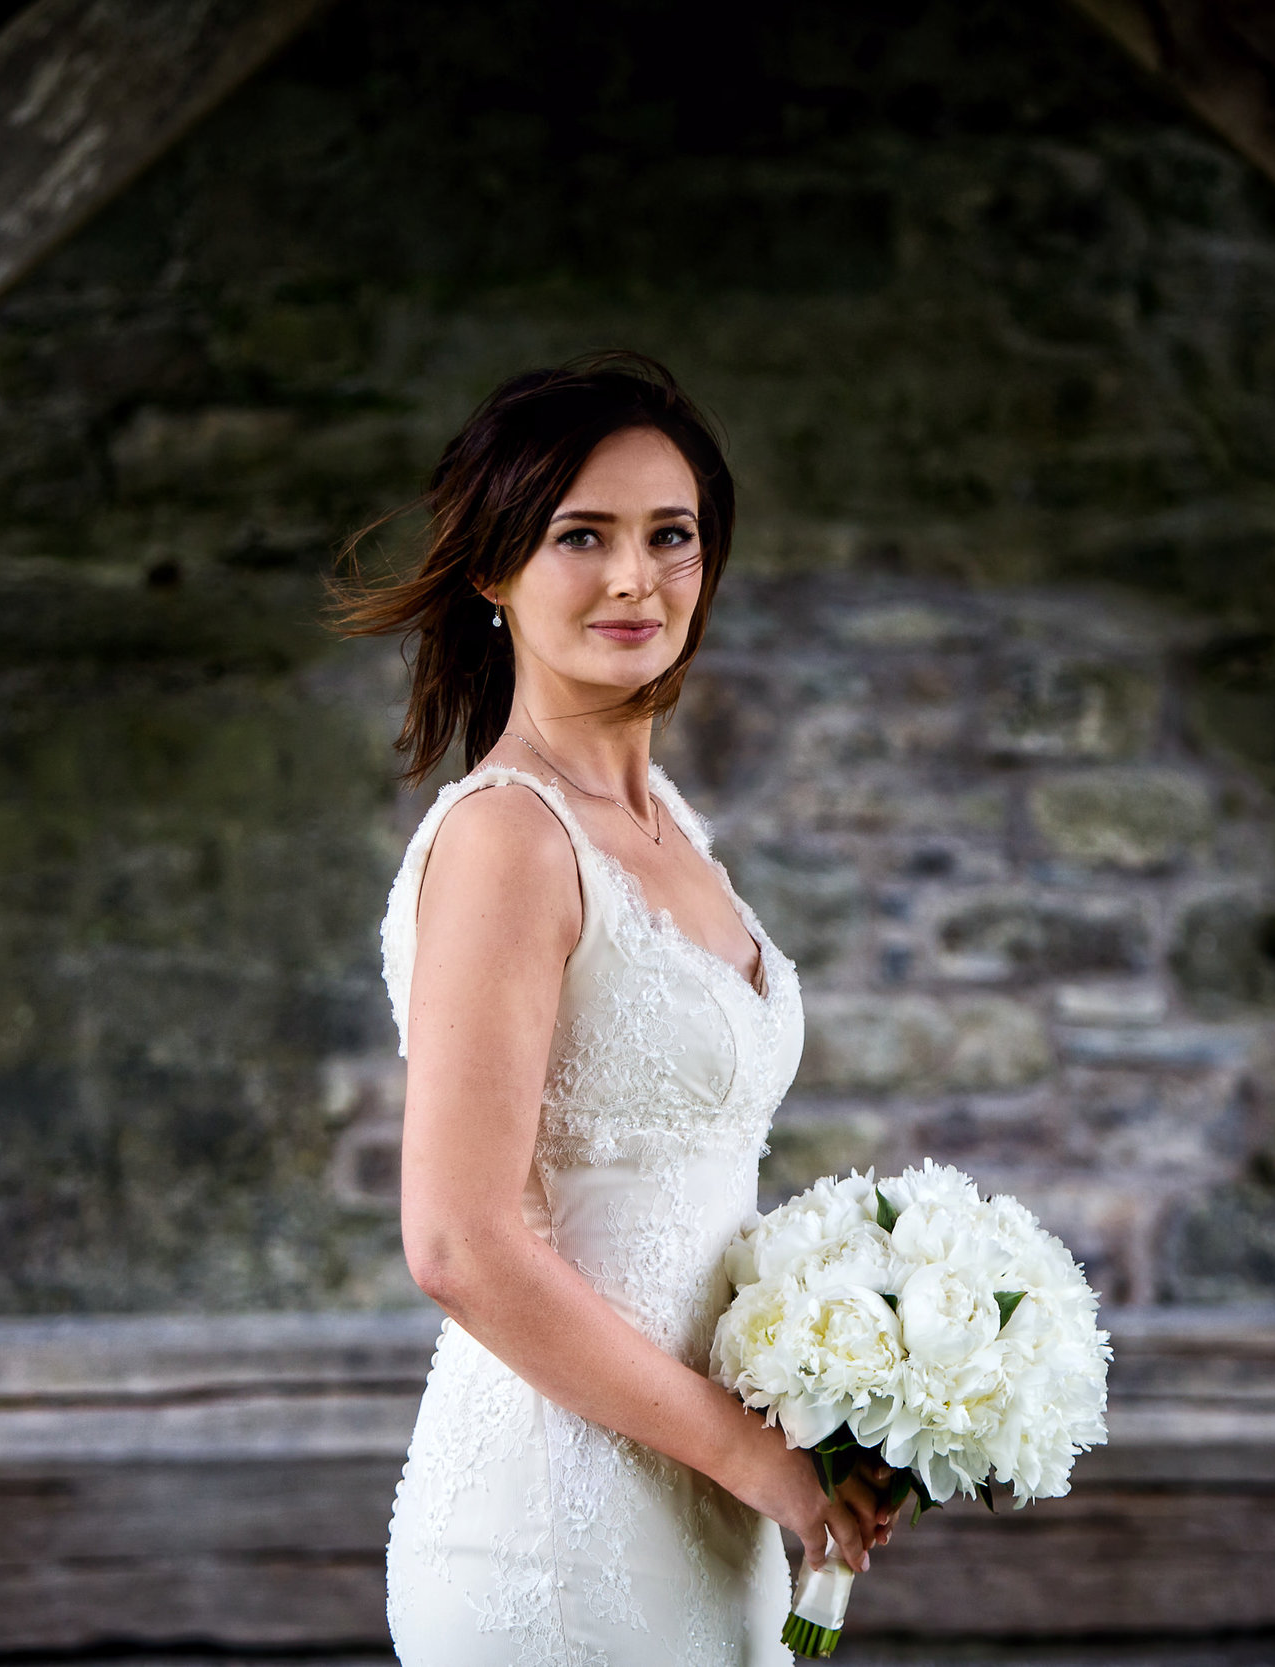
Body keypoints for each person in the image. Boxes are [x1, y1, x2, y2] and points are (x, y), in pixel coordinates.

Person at [337, 353, 894, 1664]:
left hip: (715, 1511)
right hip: (557, 1526)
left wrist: (843, 1403)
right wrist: (748, 1457)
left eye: (671, 537)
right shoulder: (510, 841)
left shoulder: (672, 832)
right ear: (493, 568)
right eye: (581, 536)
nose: (636, 578)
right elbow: (461, 1244)